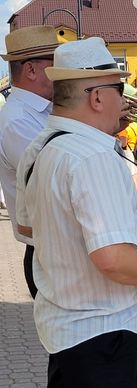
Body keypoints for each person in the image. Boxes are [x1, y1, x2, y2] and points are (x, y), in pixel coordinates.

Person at [15, 37, 137, 388]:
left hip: (69, 333)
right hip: (103, 335)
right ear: (97, 97)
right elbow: (113, 258)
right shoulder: (92, 156)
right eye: (119, 89)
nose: (125, 99)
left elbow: (26, 227)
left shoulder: (41, 146)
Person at [0, 25, 59, 298]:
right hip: (49, 252)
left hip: (58, 248)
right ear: (31, 70)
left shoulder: (45, 112)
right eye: (55, 64)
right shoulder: (17, 121)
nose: (62, 72)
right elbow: (55, 177)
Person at [116, 121, 137, 200]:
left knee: (132, 176)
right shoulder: (136, 125)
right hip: (134, 151)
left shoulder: (125, 128)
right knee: (136, 176)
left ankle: (133, 197)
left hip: (127, 152)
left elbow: (124, 143)